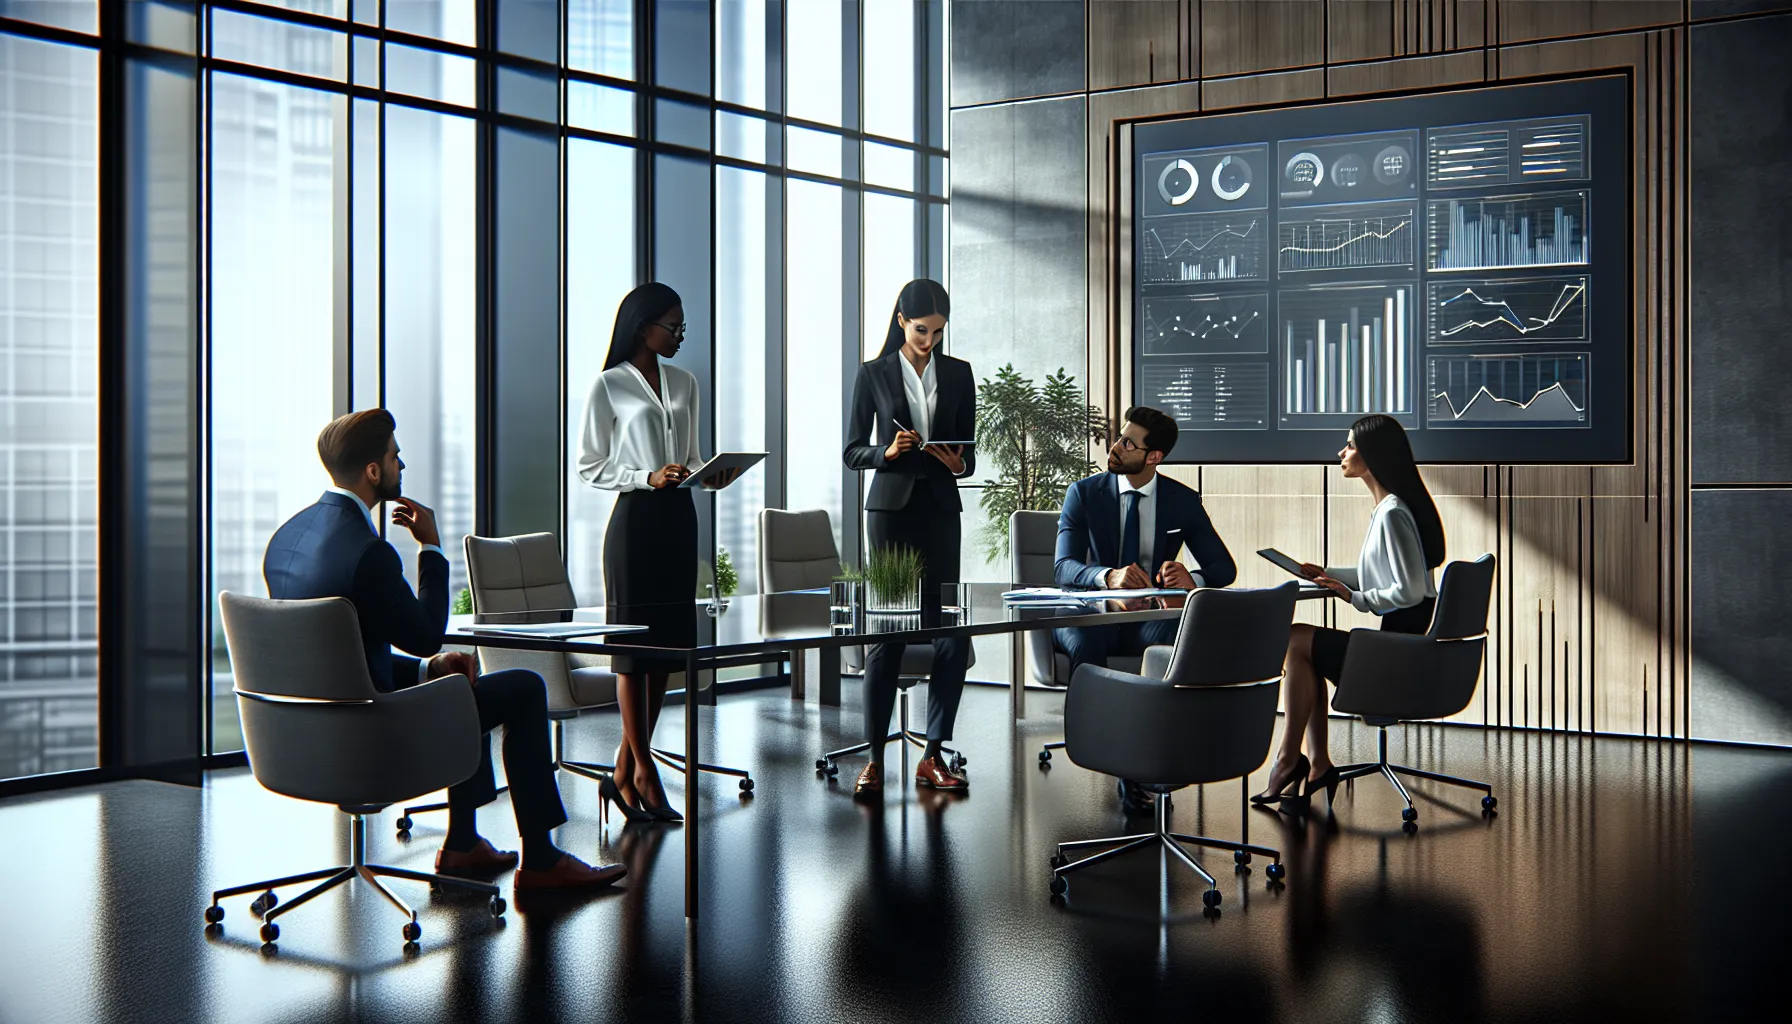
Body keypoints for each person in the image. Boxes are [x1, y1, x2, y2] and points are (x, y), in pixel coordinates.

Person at [263, 409, 625, 892]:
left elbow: (334, 659)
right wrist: (430, 548)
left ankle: (463, 843)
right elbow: (426, 632)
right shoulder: (368, 553)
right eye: (395, 457)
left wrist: (428, 668)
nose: (401, 465)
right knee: (522, 688)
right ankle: (540, 859)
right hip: (369, 738)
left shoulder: (285, 541)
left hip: (300, 740)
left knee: (452, 682)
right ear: (373, 472)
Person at [577, 282, 734, 824]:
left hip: (678, 520)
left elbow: (688, 456)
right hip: (635, 523)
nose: (679, 336)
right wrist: (645, 476)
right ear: (643, 326)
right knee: (632, 649)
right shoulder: (609, 386)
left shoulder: (686, 383)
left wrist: (707, 475)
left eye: (682, 326)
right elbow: (590, 465)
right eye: (673, 326)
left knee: (667, 647)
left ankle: (621, 774)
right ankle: (642, 768)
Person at [1253, 413, 1445, 808]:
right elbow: (1386, 573)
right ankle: (1313, 764)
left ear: (1372, 455)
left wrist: (1352, 596)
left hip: (1393, 657)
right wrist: (1330, 575)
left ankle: (1294, 761)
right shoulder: (1392, 508)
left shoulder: (1392, 513)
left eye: (1351, 445)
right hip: (1400, 648)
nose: (1342, 452)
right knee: (1302, 650)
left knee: (1295, 640)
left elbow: (1407, 591)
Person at [1053, 404, 1237, 813]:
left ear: (1153, 457)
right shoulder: (1083, 494)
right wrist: (1107, 577)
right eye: (1120, 437)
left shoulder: (1182, 501)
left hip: (1145, 619)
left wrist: (1193, 579)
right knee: (1085, 642)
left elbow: (1224, 568)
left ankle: (1158, 749)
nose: (1116, 447)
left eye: (1128, 443)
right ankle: (1109, 752)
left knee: (1178, 637)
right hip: (1089, 613)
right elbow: (1063, 567)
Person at [842, 279, 975, 798]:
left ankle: (933, 753)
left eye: (938, 332)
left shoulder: (960, 374)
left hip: (942, 509)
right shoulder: (872, 373)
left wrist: (958, 463)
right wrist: (887, 453)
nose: (930, 341)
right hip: (891, 514)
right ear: (902, 321)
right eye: (922, 330)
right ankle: (873, 757)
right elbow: (853, 450)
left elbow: (970, 453)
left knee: (951, 631)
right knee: (889, 634)